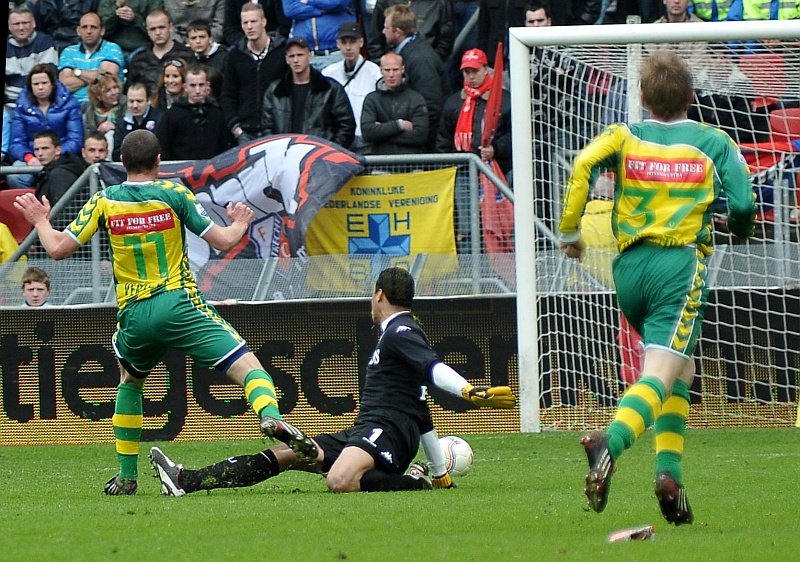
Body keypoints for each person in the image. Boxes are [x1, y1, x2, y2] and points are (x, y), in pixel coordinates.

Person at [13, 130, 318, 495]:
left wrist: (41, 221)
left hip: (135, 316)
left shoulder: (104, 200)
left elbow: (58, 249)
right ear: (159, 161)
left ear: (122, 162)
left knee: (130, 383)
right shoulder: (173, 194)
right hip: (177, 304)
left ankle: (127, 476)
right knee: (249, 368)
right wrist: (240, 222)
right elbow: (222, 240)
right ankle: (272, 419)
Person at [558, 51, 756, 525]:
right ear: (692, 97)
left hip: (628, 271)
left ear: (643, 98)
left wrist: (570, 232)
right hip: (677, 267)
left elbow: (583, 164)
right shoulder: (714, 141)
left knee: (680, 371)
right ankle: (612, 440)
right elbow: (745, 203)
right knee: (662, 375)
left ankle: (670, 477)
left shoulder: (625, 135)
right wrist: (741, 228)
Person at [149, 266, 516, 496]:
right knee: (286, 454)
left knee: (339, 481)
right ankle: (186, 481)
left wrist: (467, 389)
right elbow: (421, 409)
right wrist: (440, 472)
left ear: (378, 296)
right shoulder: (397, 334)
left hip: (384, 433)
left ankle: (411, 482)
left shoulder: (400, 331)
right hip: (368, 431)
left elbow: (434, 369)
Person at [436, 48, 511, 252]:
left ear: (486, 70)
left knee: (499, 224)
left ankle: (500, 271)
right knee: (469, 227)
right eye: (466, 72)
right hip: (463, 175)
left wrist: (496, 149)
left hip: (497, 173)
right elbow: (443, 139)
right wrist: (451, 166)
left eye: (475, 71)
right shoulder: (453, 102)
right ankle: (473, 275)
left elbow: (513, 135)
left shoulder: (503, 100)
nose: (470, 76)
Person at [262, 37, 356, 149]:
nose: (296, 60)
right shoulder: (275, 90)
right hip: (284, 157)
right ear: (287, 59)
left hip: (320, 158)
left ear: (309, 56)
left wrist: (330, 151)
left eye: (300, 55)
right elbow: (266, 127)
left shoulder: (330, 89)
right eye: (292, 56)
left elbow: (346, 126)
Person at [221, 3, 289, 145]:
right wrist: (236, 129)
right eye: (245, 23)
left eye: (253, 21)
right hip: (245, 132)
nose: (249, 27)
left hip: (277, 131)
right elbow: (228, 95)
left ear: (263, 22)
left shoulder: (282, 51)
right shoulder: (234, 56)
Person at [7, 64, 84, 189]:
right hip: (33, 158)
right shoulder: (21, 106)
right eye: (36, 84)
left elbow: (75, 140)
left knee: (59, 175)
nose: (40, 87)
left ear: (52, 84)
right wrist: (29, 157)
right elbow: (16, 142)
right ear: (30, 87)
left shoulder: (69, 103)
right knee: (15, 177)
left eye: (44, 83)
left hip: (62, 157)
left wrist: (55, 155)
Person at [381, 4, 444, 150]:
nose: (383, 31)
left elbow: (431, 107)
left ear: (398, 32)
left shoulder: (421, 59)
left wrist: (415, 136)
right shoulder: (410, 52)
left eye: (386, 27)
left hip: (422, 144)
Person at [322, 21, 382, 153]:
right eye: (344, 43)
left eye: (352, 42)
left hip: (365, 141)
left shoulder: (375, 72)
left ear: (361, 42)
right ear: (338, 44)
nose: (348, 47)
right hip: (338, 141)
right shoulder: (328, 73)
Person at [155, 65, 232, 160]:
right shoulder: (172, 115)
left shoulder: (217, 114)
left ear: (207, 86)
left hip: (211, 170)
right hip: (181, 170)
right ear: (185, 87)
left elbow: (223, 147)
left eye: (201, 85)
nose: (197, 90)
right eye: (193, 85)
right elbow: (163, 147)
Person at [361, 52, 429, 155]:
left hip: (411, 164)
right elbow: (367, 133)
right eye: (387, 70)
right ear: (381, 70)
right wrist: (400, 125)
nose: (391, 75)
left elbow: (420, 136)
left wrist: (381, 134)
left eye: (395, 70)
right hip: (381, 166)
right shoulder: (372, 99)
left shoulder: (416, 99)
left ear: (402, 69)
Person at [57, 12, 125, 105]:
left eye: (93, 27)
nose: (89, 31)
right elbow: (64, 85)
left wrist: (77, 72)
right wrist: (96, 76)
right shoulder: (68, 52)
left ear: (102, 31)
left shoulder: (112, 48)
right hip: (73, 107)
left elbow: (106, 81)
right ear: (78, 31)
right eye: (84, 27)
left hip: (103, 106)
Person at [127, 9, 194, 95]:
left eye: (161, 27)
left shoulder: (187, 55)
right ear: (148, 31)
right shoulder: (139, 59)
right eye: (153, 29)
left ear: (171, 27)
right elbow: (130, 91)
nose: (157, 33)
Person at [6, 5, 58, 111]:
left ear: (33, 23)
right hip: (9, 105)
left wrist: (14, 79)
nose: (21, 28)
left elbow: (47, 78)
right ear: (9, 27)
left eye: (25, 23)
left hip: (39, 104)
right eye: (16, 24)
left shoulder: (45, 42)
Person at [368, 0, 454, 64]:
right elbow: (375, 39)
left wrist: (430, 63)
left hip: (426, 66)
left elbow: (445, 40)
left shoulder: (439, 2)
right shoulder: (385, 2)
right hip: (391, 69)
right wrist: (384, 65)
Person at [282, 0, 353, 70]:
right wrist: (324, 10)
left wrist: (309, 1)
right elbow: (290, 9)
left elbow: (338, 3)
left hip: (335, 53)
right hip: (305, 54)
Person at [112, 82, 164, 161]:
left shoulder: (161, 119)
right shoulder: (122, 122)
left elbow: (162, 150)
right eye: (131, 101)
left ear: (149, 100)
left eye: (139, 101)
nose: (135, 106)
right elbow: (116, 154)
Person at [98, 0, 163, 55]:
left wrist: (135, 19)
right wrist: (116, 9)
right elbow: (100, 30)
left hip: (142, 48)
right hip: (112, 48)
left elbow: (157, 28)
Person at [82, 74, 125, 154]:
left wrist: (115, 127)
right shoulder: (90, 111)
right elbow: (89, 134)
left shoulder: (126, 105)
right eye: (108, 90)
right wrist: (99, 132)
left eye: (115, 88)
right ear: (99, 96)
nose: (114, 92)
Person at [31, 0, 96, 52]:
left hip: (79, 43)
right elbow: (39, 28)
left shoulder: (89, 2)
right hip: (50, 45)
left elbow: (95, 25)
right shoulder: (42, 2)